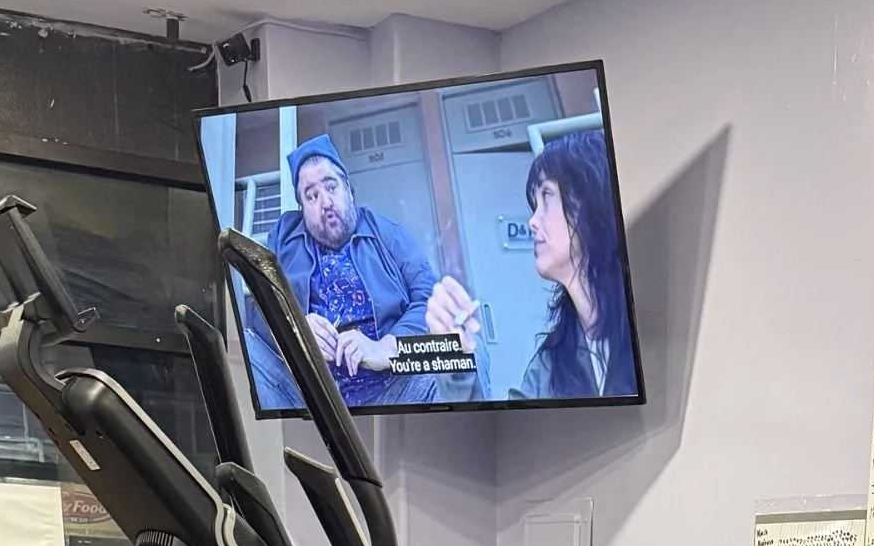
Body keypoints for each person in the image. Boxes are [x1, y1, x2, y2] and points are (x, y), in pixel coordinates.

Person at [243, 133, 482, 410]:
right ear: (302, 208)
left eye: (331, 187)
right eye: (311, 196)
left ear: (348, 188)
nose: (325, 203)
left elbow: (428, 298)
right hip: (310, 400)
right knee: (244, 348)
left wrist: (385, 348)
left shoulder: (388, 234)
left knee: (465, 347)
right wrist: (294, 326)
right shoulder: (285, 240)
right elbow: (258, 313)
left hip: (393, 389)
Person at [510, 131, 638, 402]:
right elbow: (512, 436)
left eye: (547, 196)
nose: (532, 221)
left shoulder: (653, 318)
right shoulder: (550, 361)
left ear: (591, 203)